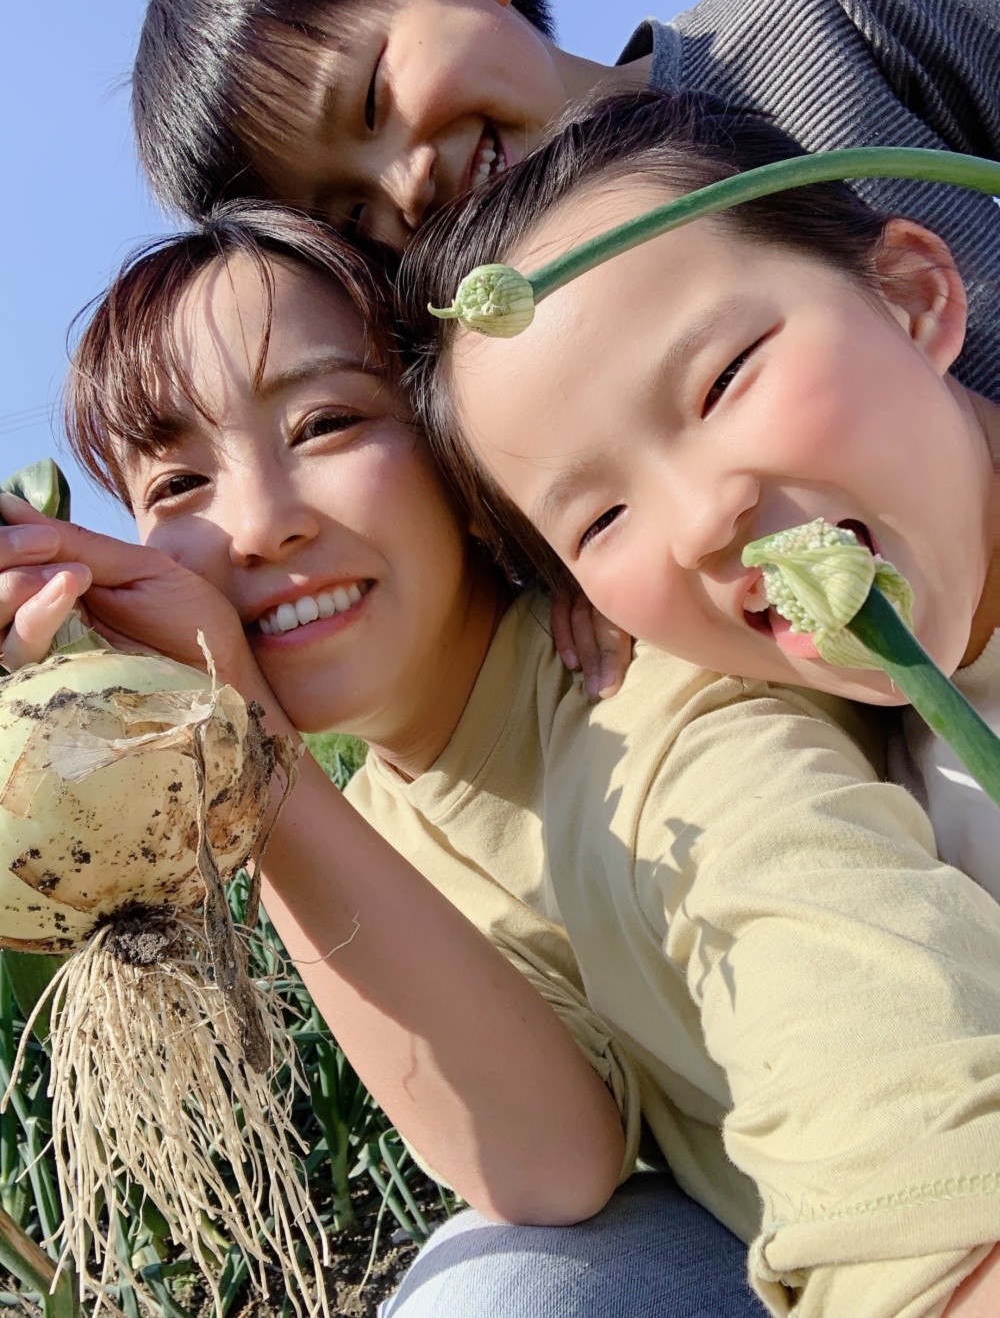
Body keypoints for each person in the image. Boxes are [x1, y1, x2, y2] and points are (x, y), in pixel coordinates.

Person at [7, 202, 1000, 1316]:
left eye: (326, 422)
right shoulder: (372, 804)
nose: (257, 525)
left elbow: (862, 1018)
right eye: (176, 486)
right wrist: (238, 739)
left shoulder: (647, 701)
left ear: (460, 448)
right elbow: (547, 1165)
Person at [397, 85, 1000, 909]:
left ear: (910, 294)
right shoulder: (918, 845)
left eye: (722, 381)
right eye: (601, 520)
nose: (700, 523)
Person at [130, 0, 1000, 399]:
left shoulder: (814, 21)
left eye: (370, 102)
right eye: (352, 215)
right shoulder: (509, 363)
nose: (406, 183)